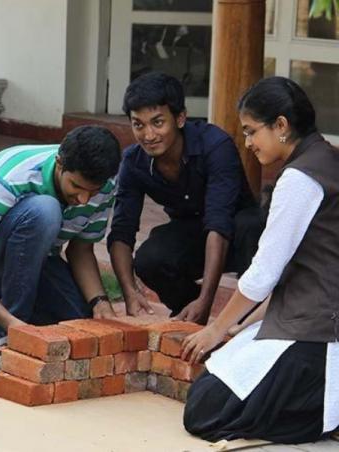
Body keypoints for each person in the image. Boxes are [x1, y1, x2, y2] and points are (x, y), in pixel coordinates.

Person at [181, 76, 339, 443]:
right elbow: (293, 274)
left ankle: (322, 418)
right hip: (309, 317)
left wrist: (215, 329)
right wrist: (241, 325)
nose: (248, 143)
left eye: (252, 131)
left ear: (281, 125)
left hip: (318, 332)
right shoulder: (327, 157)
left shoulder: (300, 178)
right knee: (213, 385)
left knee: (203, 411)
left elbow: (265, 273)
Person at [0, 126, 124, 364]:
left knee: (78, 321)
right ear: (59, 164)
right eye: (76, 187)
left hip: (34, 259)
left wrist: (100, 302)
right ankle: (3, 337)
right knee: (45, 211)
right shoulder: (8, 178)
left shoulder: (105, 185)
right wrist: (13, 325)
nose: (84, 200)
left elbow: (80, 250)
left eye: (93, 191)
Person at [108, 72, 262, 324]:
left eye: (158, 122)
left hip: (239, 237)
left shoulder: (215, 145)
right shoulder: (133, 162)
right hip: (193, 234)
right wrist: (129, 292)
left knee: (252, 224)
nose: (148, 135)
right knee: (150, 259)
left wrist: (207, 300)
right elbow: (121, 232)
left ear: (180, 118)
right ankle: (188, 313)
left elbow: (219, 223)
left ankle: (250, 324)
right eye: (138, 125)